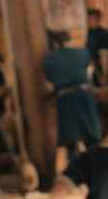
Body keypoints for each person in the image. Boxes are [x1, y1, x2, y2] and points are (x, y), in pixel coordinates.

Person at [43, 30, 102, 172]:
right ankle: (99, 170)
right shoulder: (82, 53)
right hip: (84, 96)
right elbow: (87, 67)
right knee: (92, 138)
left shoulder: (50, 60)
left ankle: (68, 175)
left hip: (65, 99)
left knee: (67, 141)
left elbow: (51, 79)